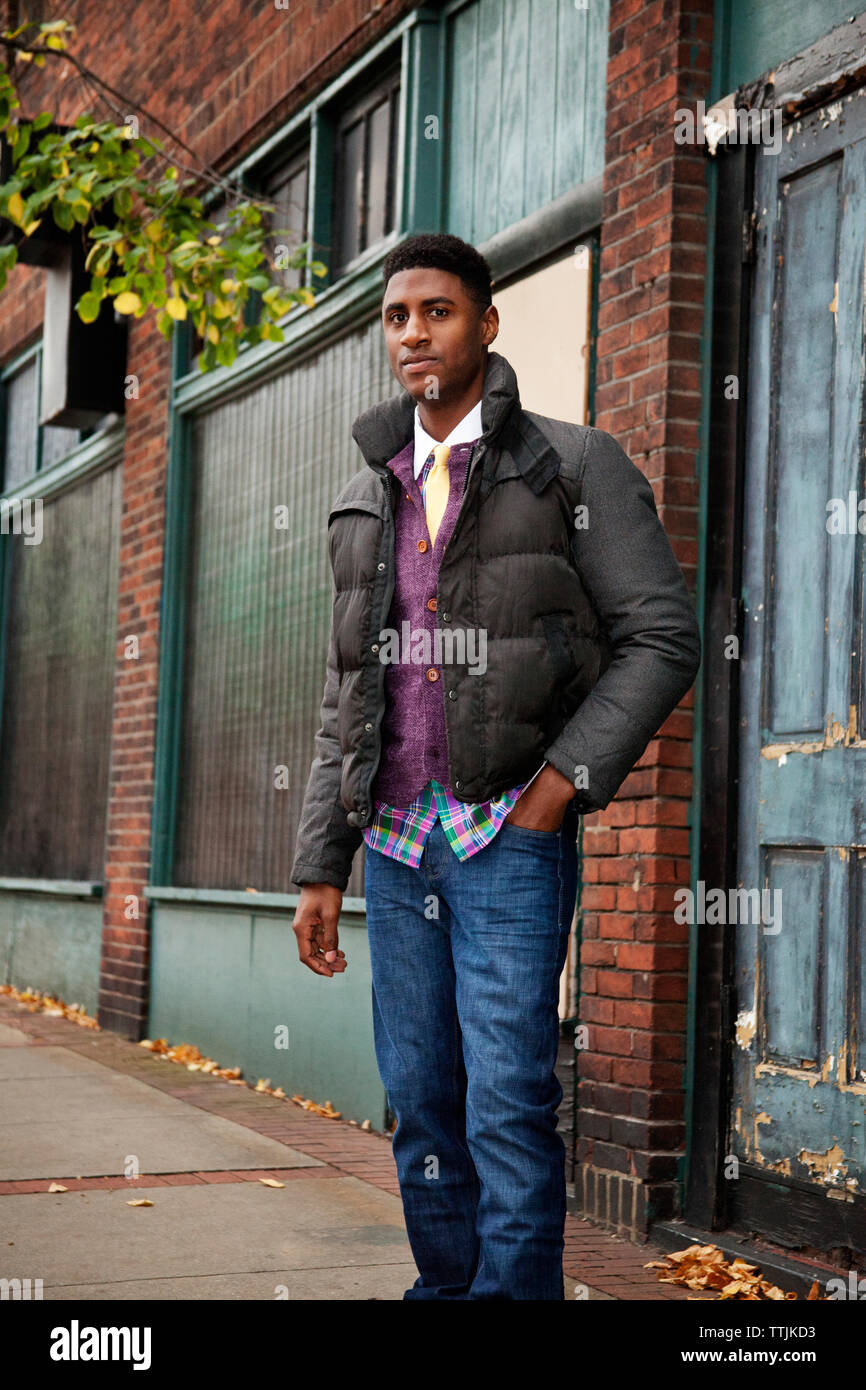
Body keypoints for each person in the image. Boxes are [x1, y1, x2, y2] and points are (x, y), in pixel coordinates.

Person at [290, 232, 701, 1300]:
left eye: (435, 311)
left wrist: (555, 792)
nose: (412, 333)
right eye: (394, 317)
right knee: (422, 1097)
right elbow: (347, 689)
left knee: (507, 1101)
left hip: (504, 839)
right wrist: (319, 863)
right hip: (392, 841)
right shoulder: (366, 491)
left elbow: (661, 634)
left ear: (485, 323)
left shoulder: (568, 464)